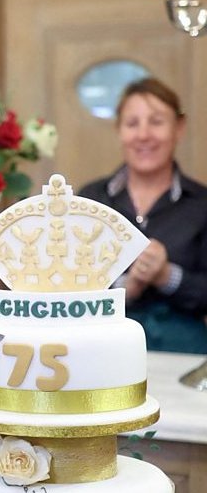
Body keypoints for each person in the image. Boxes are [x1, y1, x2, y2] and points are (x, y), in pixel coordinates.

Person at [79, 77, 207, 353]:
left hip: (184, 352)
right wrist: (127, 286)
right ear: (119, 130)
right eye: (132, 123)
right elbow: (71, 283)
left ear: (179, 128)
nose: (144, 135)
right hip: (101, 350)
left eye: (157, 122)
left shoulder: (202, 203)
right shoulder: (91, 199)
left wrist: (167, 276)